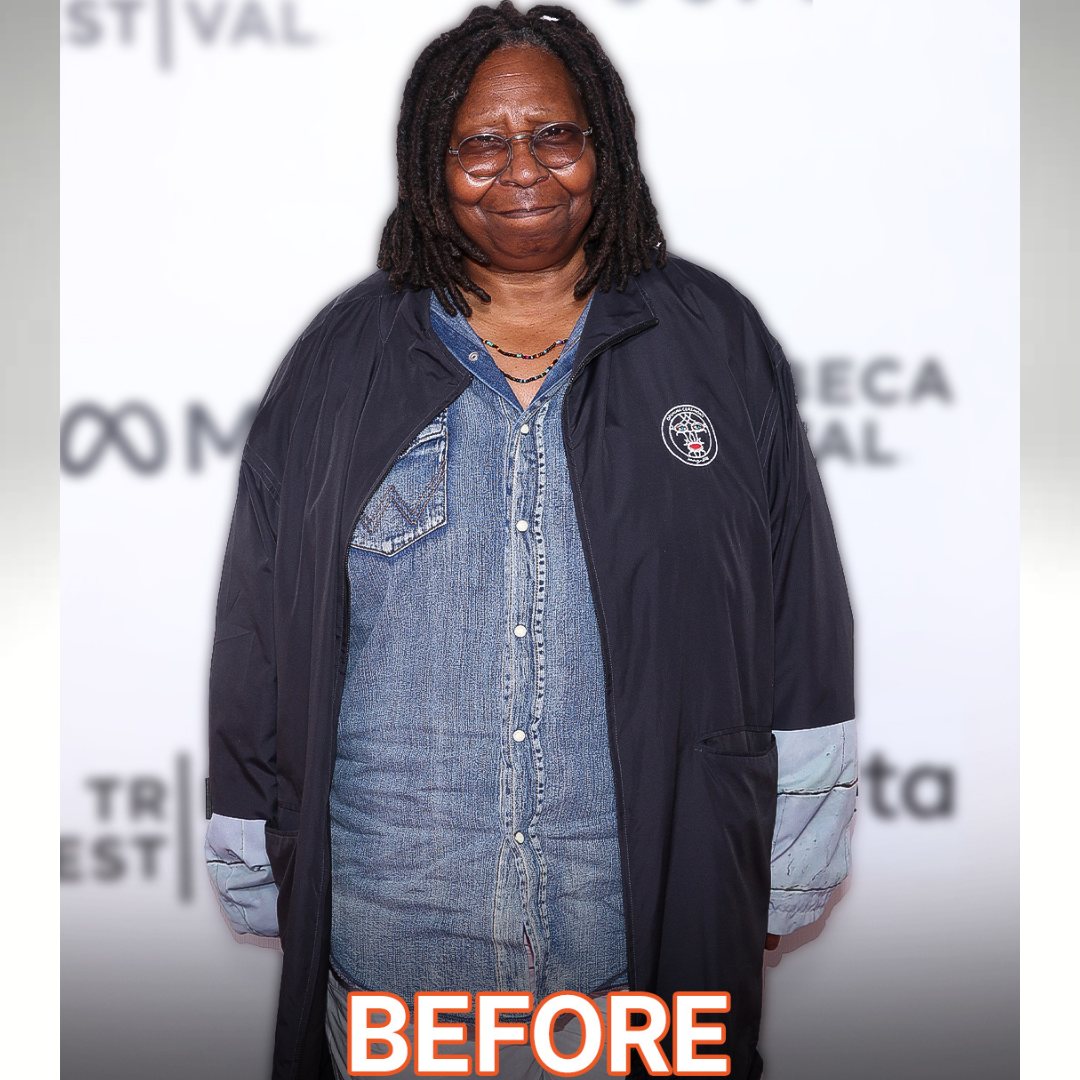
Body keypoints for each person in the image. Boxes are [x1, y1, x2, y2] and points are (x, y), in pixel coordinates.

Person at [204, 4, 856, 1079]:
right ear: (431, 163)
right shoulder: (338, 361)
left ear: (604, 146)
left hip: (635, 961)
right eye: (482, 143)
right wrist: (248, 850)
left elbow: (801, 617)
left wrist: (791, 862)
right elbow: (258, 633)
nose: (524, 170)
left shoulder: (717, 342)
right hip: (396, 963)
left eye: (557, 135)